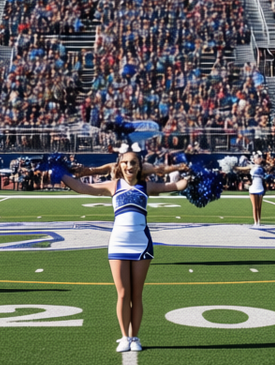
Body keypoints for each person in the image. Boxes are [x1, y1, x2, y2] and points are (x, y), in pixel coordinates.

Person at [58, 151, 189, 352]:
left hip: (141, 243)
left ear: (139, 166)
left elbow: (175, 186)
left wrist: (192, 175)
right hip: (118, 243)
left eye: (133, 162)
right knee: (122, 294)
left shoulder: (147, 186)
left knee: (136, 295)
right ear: (119, 165)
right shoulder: (113, 185)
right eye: (125, 162)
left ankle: (135, 337)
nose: (129, 166)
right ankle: (124, 337)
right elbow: (82, 187)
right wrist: (58, 172)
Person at [235, 151, 270, 227]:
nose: (255, 159)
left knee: (259, 207)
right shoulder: (252, 166)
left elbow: (270, 168)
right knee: (254, 207)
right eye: (255, 158)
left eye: (257, 158)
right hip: (253, 187)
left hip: (260, 187)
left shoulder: (263, 167)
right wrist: (234, 167)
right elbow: (242, 168)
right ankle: (255, 222)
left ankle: (259, 222)